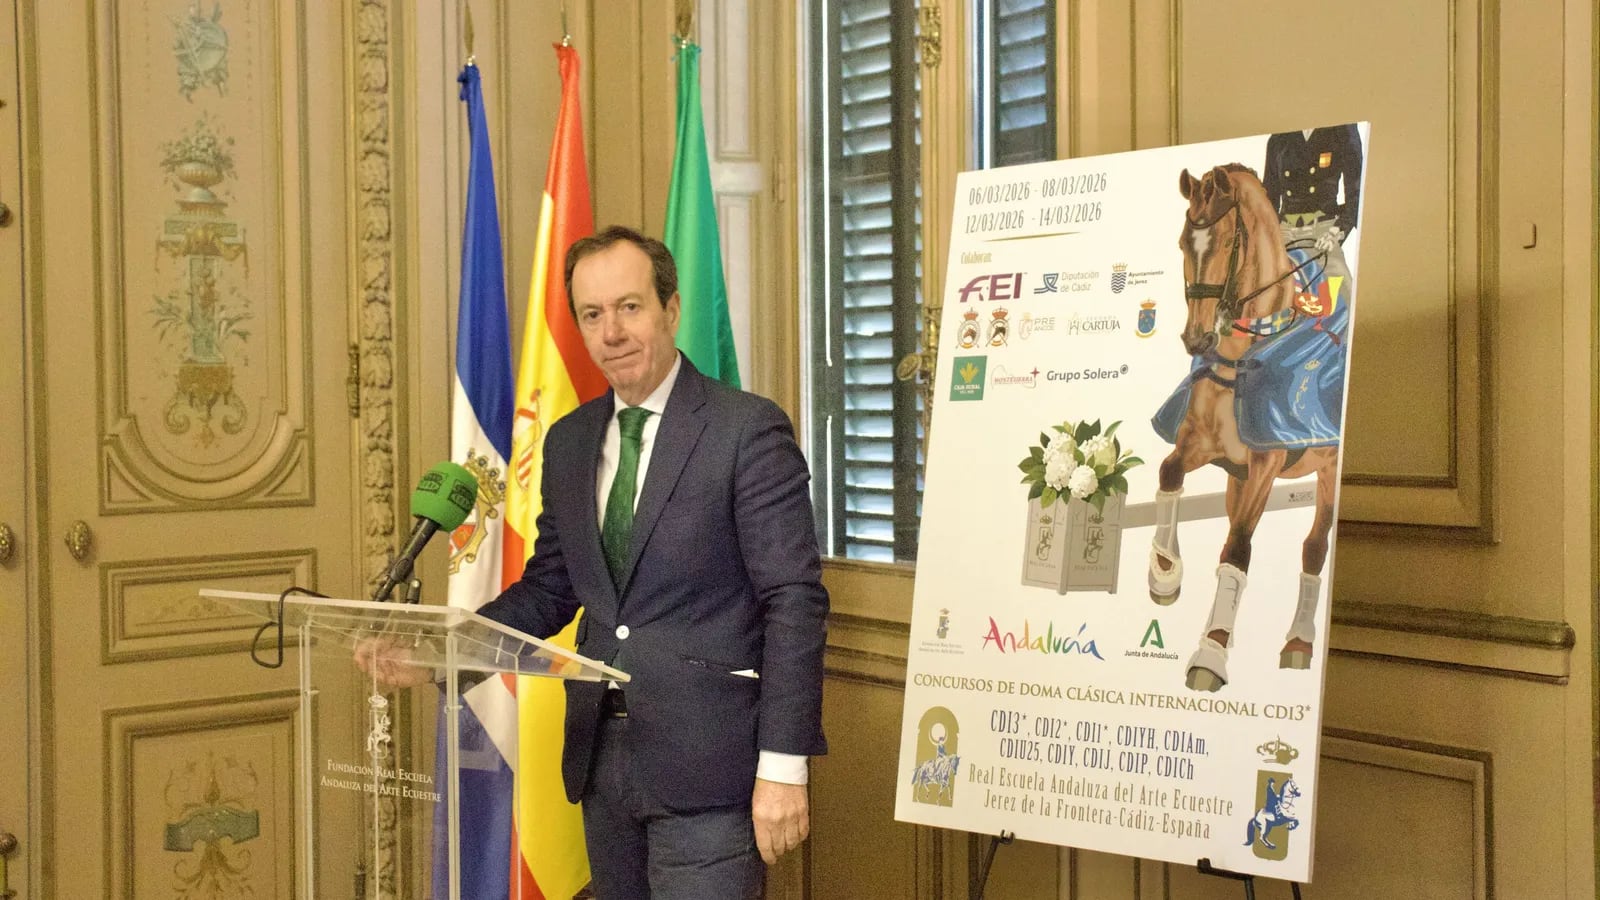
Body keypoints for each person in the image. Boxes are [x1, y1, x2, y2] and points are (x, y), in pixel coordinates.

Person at [473, 225, 828, 899]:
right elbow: (552, 588)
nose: (612, 332)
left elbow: (794, 601)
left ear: (670, 308)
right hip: (602, 765)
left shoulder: (745, 429)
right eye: (592, 314)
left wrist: (785, 766)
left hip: (712, 772)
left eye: (630, 307)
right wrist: (451, 645)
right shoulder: (571, 441)